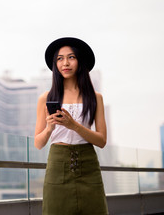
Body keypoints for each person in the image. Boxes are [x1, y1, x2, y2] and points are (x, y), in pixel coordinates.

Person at [34, 37, 108, 215]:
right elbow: (38, 143)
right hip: (58, 164)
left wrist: (74, 125)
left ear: (80, 61)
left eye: (71, 57)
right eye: (59, 58)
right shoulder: (46, 97)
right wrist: (50, 128)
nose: (65, 63)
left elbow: (102, 140)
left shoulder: (95, 97)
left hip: (88, 165)